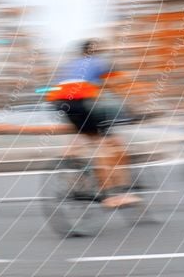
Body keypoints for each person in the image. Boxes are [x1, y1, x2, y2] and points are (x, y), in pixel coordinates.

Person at [49, 39, 138, 208]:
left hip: (59, 102)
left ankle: (73, 168)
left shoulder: (70, 65)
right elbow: (118, 85)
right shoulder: (100, 62)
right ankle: (112, 197)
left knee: (84, 133)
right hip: (81, 100)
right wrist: (131, 109)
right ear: (96, 51)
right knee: (104, 145)